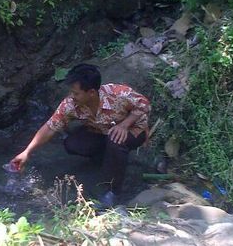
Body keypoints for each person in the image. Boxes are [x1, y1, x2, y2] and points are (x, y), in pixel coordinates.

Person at [10, 63, 151, 206]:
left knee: (116, 140)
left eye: (76, 93)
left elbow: (144, 104)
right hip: (102, 132)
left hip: (133, 130)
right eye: (71, 92)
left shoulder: (119, 94)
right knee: (72, 144)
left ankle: (113, 191)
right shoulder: (71, 104)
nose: (72, 96)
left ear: (91, 92)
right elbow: (50, 127)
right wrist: (27, 152)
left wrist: (124, 125)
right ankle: (106, 157)